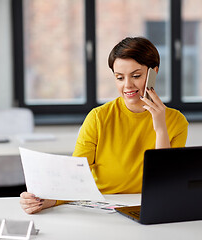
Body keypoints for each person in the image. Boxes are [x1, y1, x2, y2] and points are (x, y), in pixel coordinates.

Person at [20, 37, 189, 214]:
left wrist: (160, 128)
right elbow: (75, 177)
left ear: (153, 73)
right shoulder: (98, 118)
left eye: (136, 76)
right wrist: (45, 200)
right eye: (119, 77)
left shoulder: (175, 121)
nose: (127, 85)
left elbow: (165, 184)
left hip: (149, 206)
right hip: (103, 208)